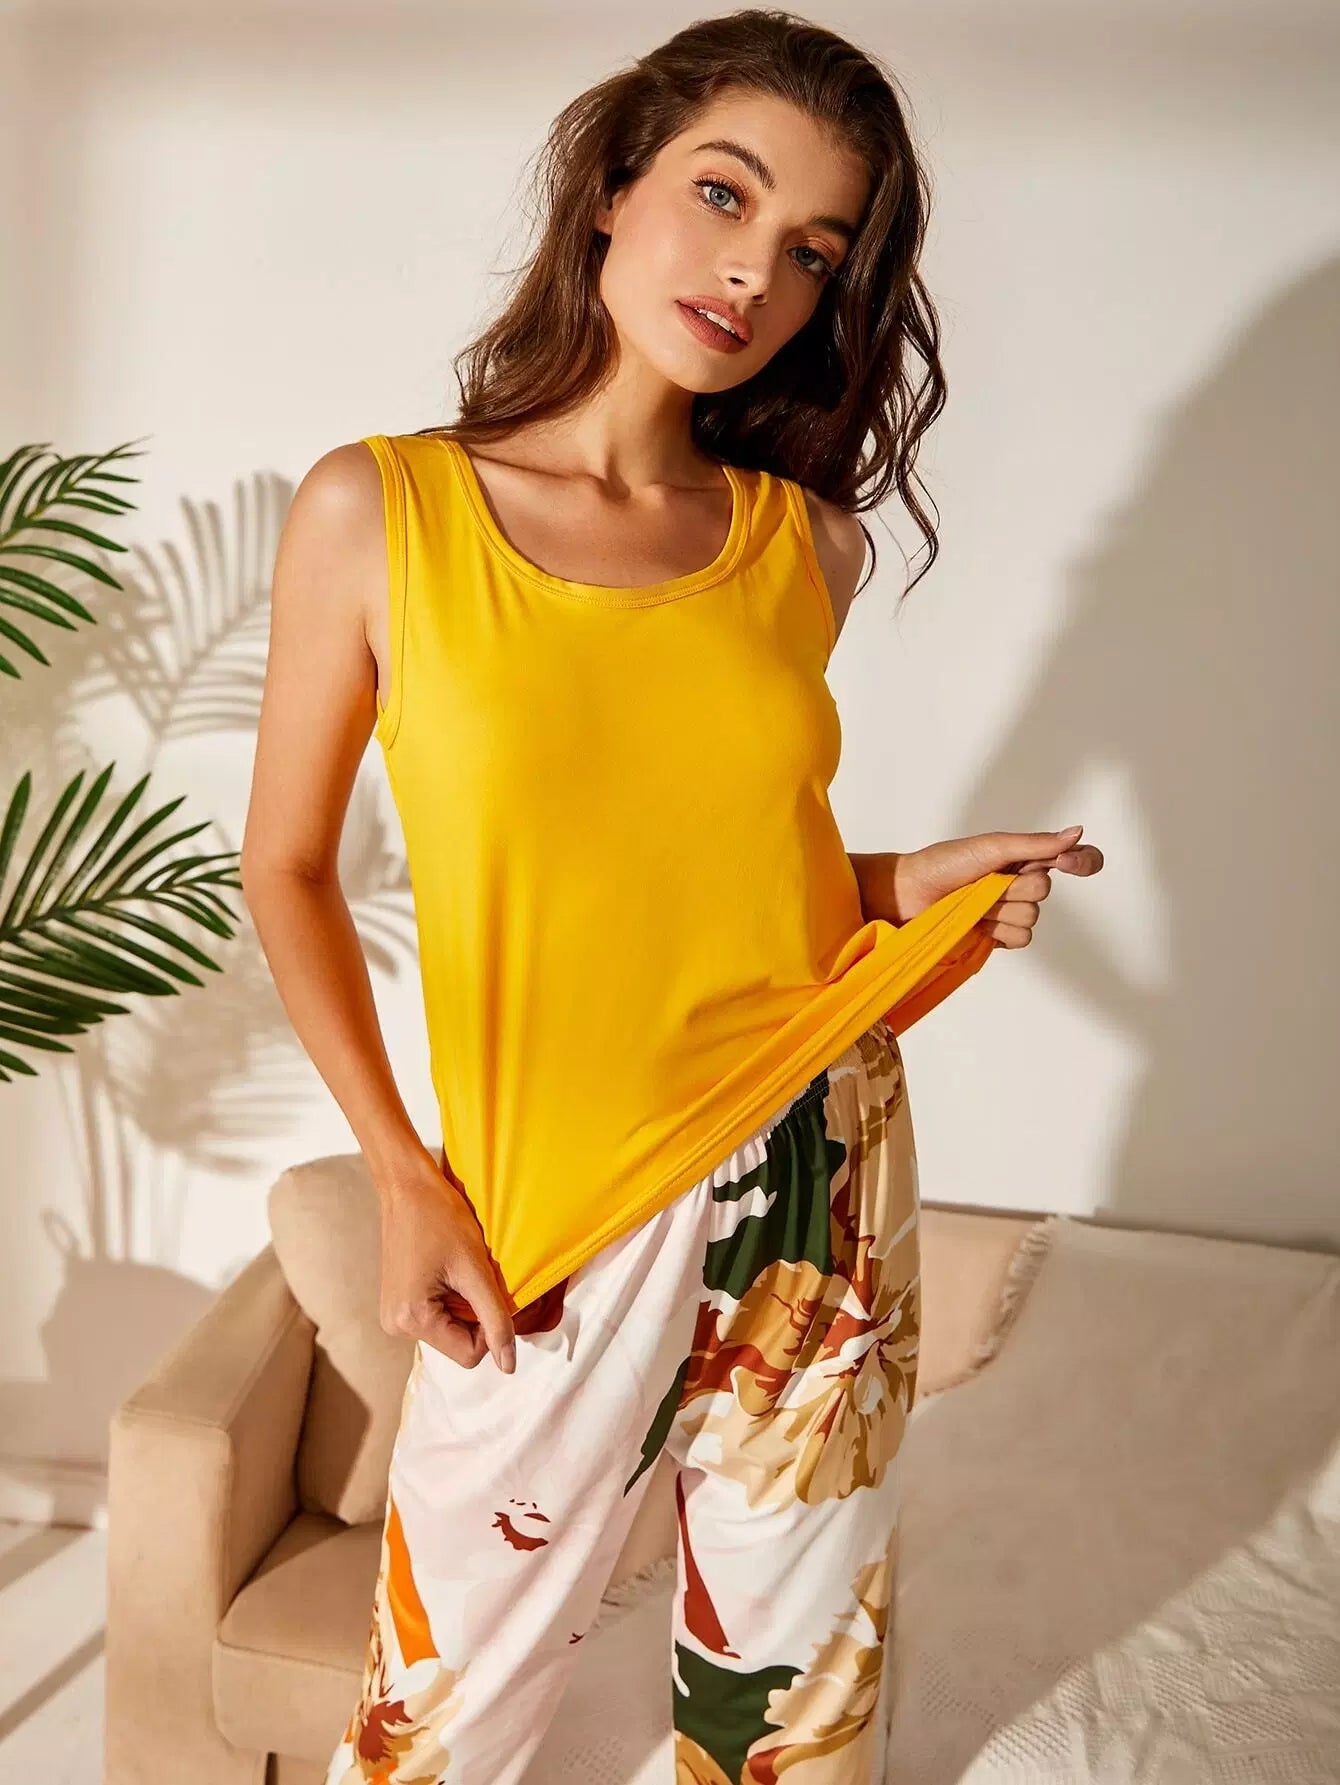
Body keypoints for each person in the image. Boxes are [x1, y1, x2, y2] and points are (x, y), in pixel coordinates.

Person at [241, 11, 1103, 1782]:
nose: (755, 272)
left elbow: (708, 880)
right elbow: (289, 867)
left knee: (789, 1722)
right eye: (724, 194)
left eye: (813, 251)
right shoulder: (382, 510)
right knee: (432, 1730)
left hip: (828, 1164)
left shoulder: (807, 547)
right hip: (558, 1207)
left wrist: (900, 886)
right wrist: (401, 1172)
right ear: (613, 186)